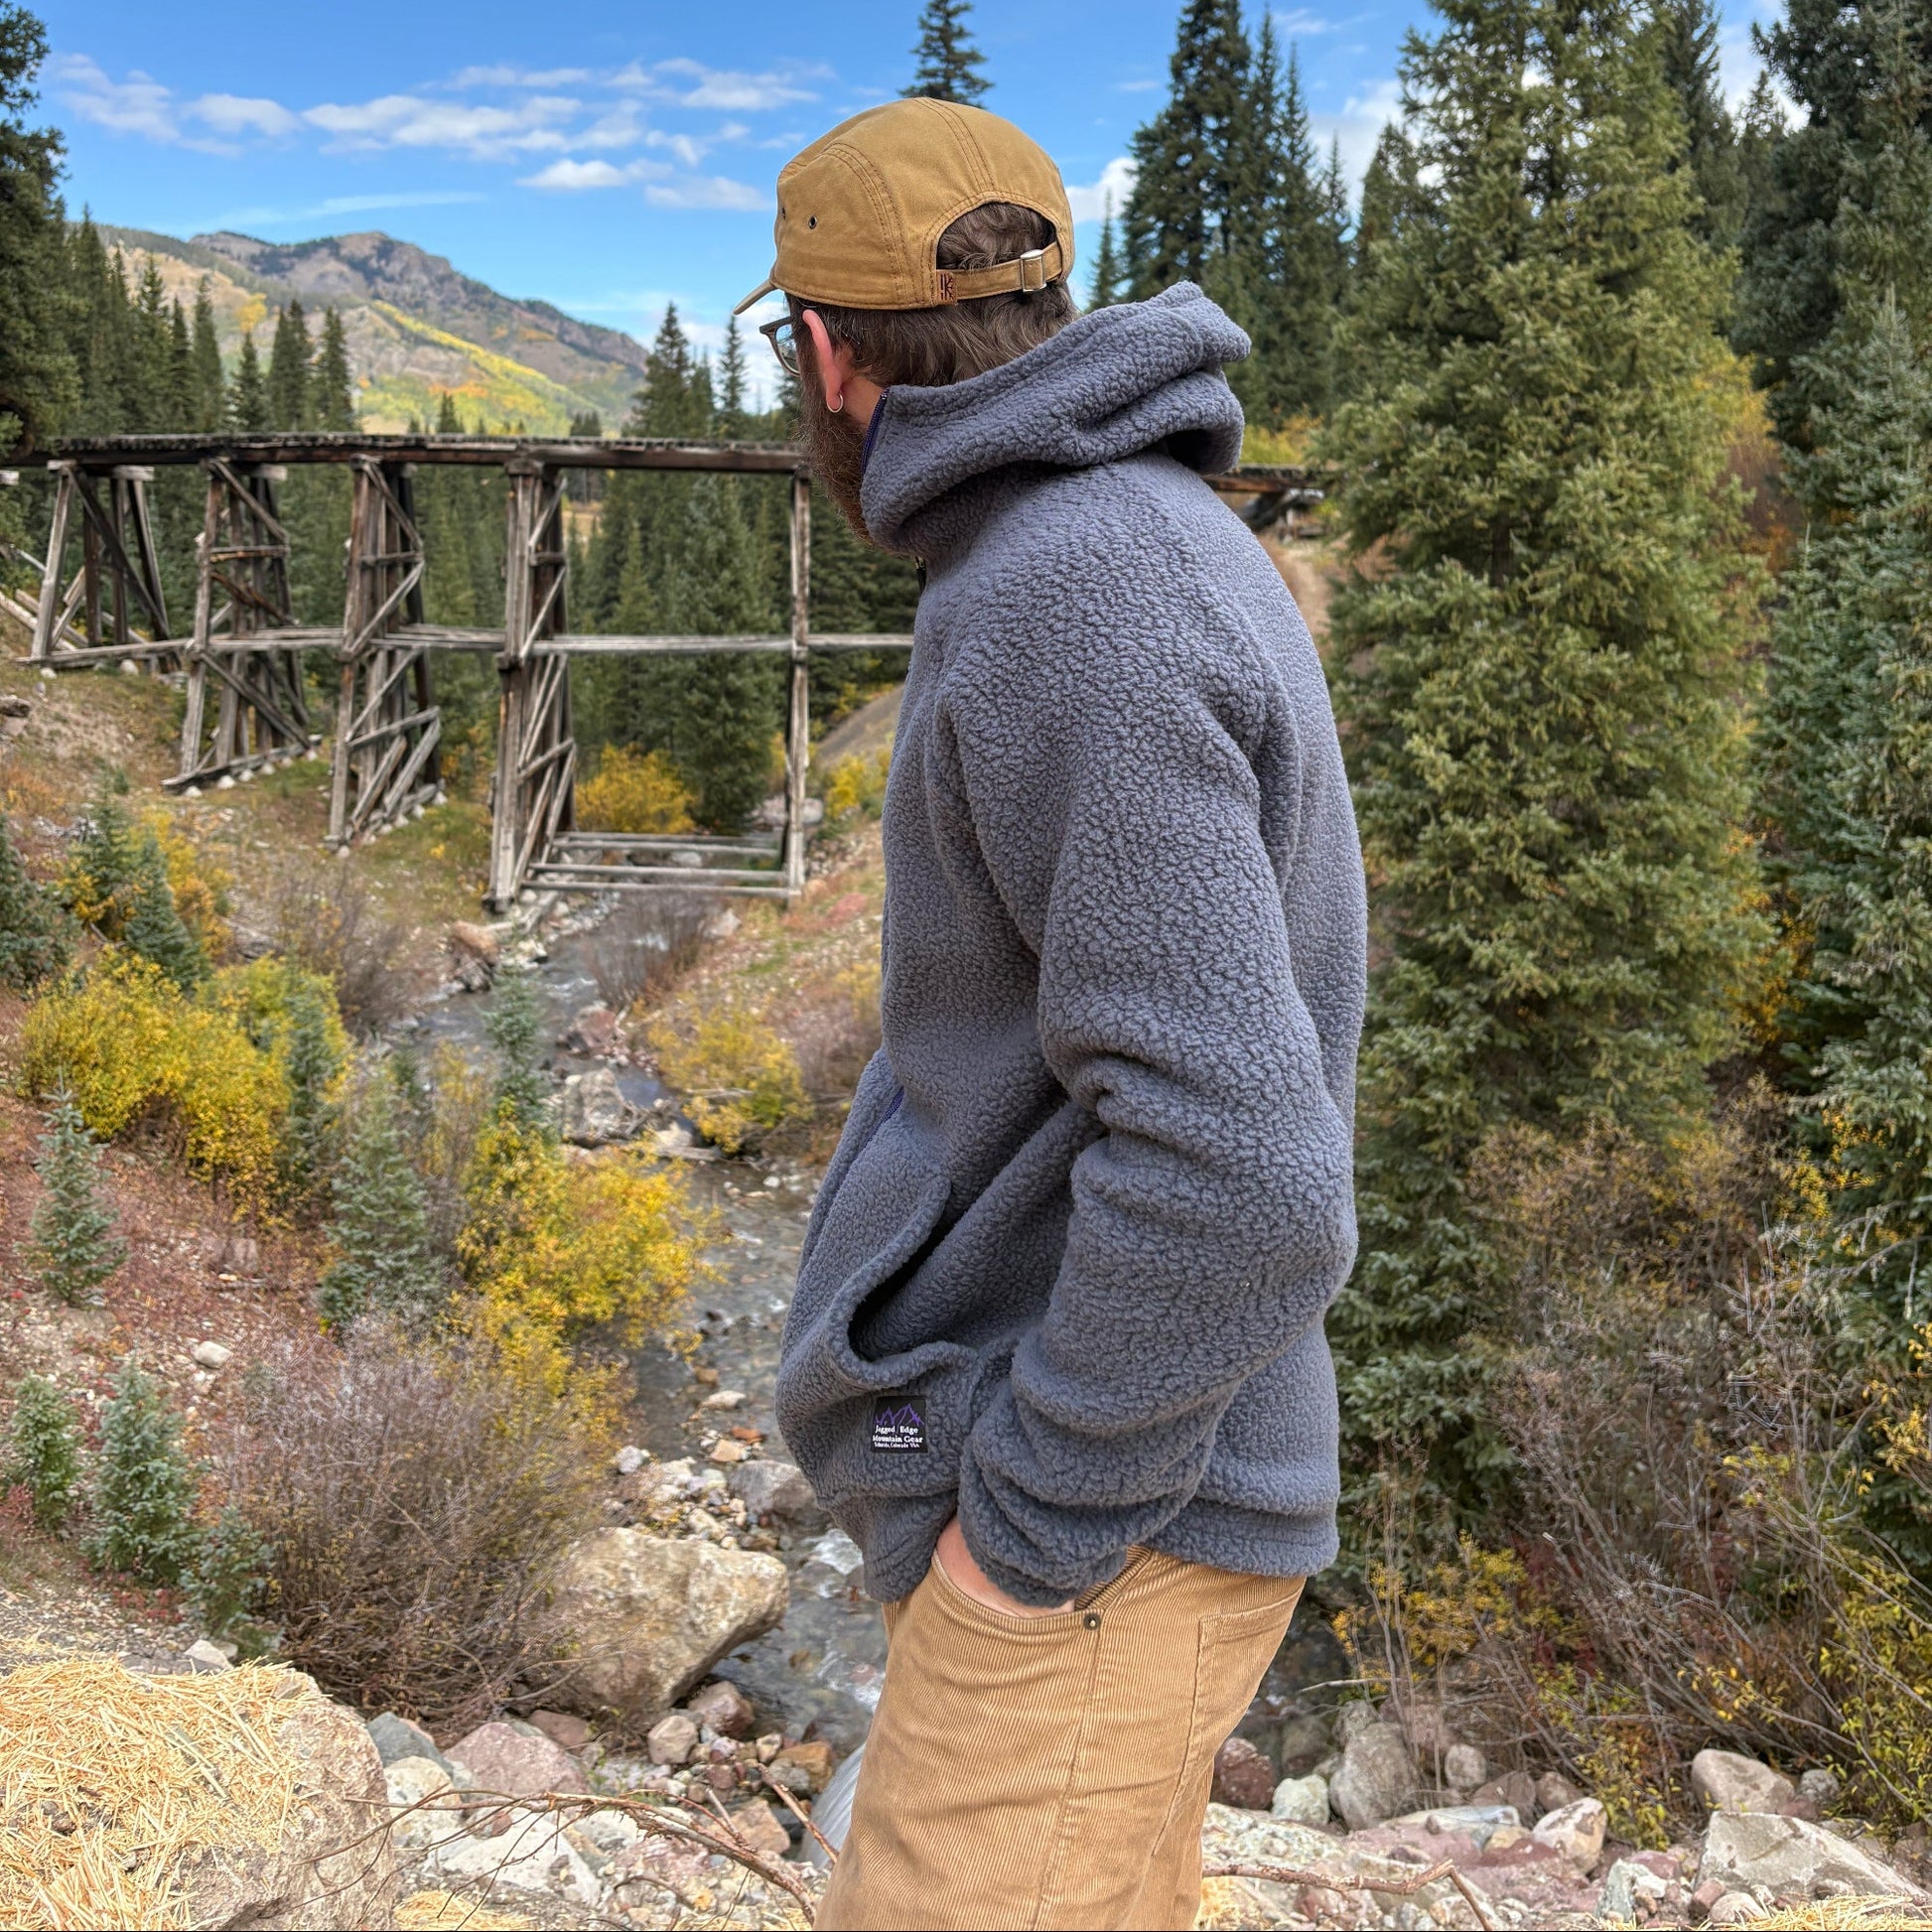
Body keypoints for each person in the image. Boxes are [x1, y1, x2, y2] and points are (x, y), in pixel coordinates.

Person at [739, 95, 1366, 1932]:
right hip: (1134, 1516)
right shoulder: (1123, 543)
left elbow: (1245, 1174)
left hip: (1108, 1540)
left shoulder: (1069, 594)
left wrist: (1022, 1542)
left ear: (831, 357)